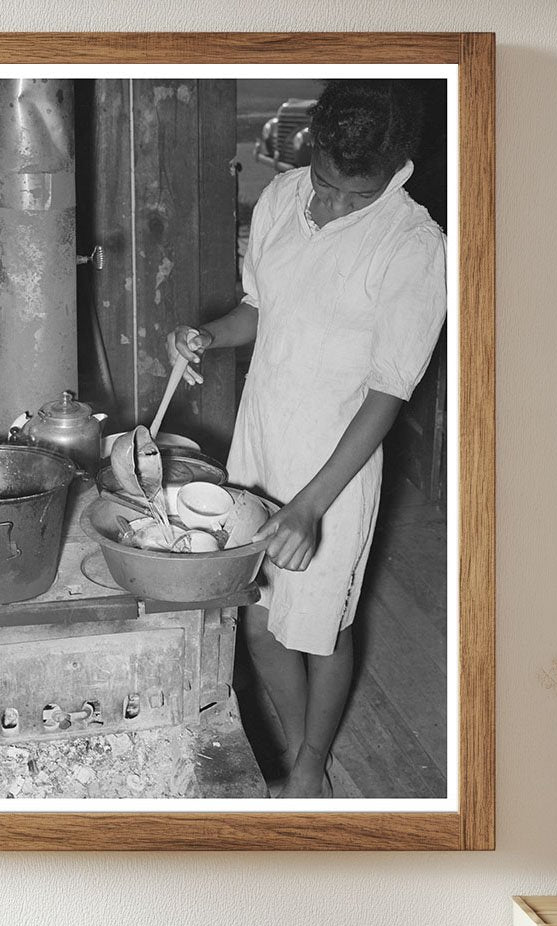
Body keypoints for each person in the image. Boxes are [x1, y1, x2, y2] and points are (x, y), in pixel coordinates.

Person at [166, 80, 447, 798]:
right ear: (313, 149)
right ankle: (298, 751)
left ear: (396, 173)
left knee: (321, 627)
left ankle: (314, 763)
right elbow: (260, 307)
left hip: (337, 468)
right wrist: (206, 334)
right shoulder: (282, 196)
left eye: (355, 197)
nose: (328, 205)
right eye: (325, 183)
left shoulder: (415, 247)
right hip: (261, 440)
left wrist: (311, 507)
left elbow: (388, 393)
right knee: (259, 620)